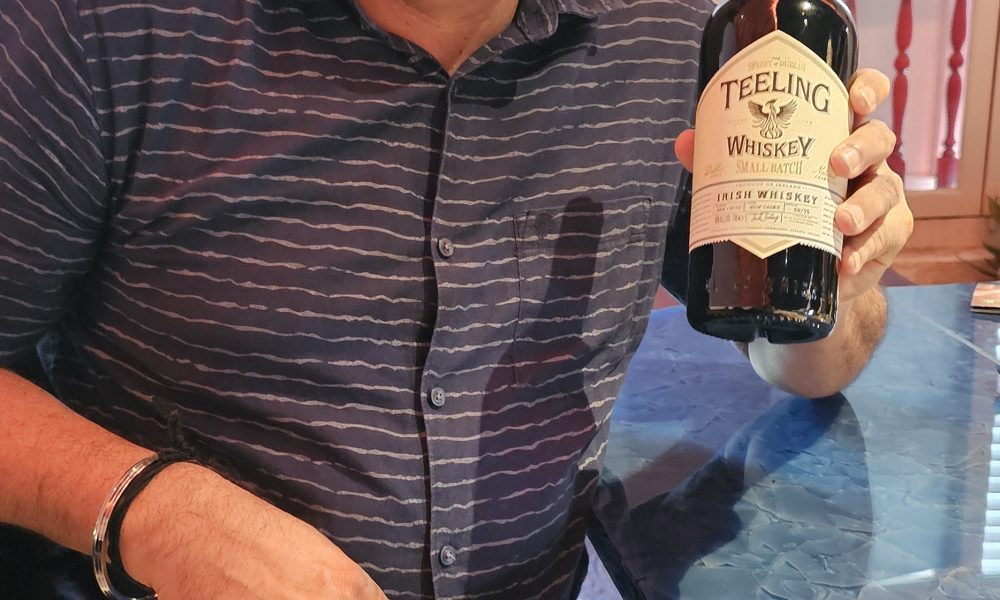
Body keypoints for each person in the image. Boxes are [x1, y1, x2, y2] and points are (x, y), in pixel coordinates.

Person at [0, 0, 911, 598]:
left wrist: (841, 271)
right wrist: (154, 508)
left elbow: (805, 360)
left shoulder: (681, 42)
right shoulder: (96, 30)